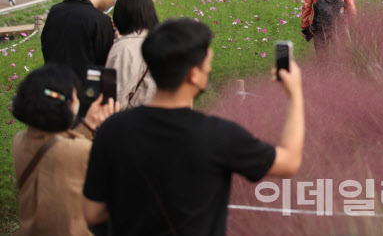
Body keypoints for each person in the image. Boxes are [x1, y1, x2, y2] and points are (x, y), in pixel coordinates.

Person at [83, 19, 305, 235]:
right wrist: (294, 94)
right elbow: (290, 161)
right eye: (207, 66)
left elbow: (93, 214)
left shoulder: (112, 130)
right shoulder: (218, 135)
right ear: (193, 75)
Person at [11, 65, 118, 236]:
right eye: (76, 98)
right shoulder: (79, 151)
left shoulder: (20, 141)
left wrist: (88, 125)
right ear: (66, 106)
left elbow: (55, 149)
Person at [41, 0, 125, 116]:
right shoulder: (100, 21)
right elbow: (104, 66)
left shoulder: (56, 10)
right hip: (82, 104)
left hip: (52, 95)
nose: (111, 2)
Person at [106, 0, 159, 109]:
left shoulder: (124, 49)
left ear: (120, 15)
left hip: (137, 123)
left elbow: (115, 100)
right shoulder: (166, 41)